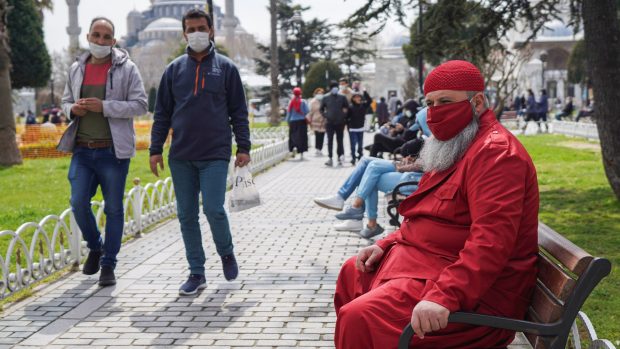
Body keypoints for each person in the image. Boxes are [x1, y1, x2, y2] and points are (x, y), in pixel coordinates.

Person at [333, 60, 539, 348]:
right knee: (352, 273)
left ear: (477, 102)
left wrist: (446, 296)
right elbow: (425, 216)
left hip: (477, 296)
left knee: (360, 317)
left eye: (445, 101)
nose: (434, 113)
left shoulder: (496, 154)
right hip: (428, 265)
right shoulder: (458, 142)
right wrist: (385, 243)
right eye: (429, 103)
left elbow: (491, 241)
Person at [149, 9, 251, 296]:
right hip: (181, 155)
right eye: (191, 29)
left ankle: (227, 253)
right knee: (186, 215)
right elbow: (162, 114)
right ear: (184, 33)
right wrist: (155, 149)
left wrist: (243, 146)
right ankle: (196, 272)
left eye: (201, 28)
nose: (196, 33)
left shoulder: (227, 68)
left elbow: (239, 112)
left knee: (214, 209)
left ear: (211, 30)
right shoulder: (174, 70)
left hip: (215, 154)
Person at [59, 17, 147, 286]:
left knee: (113, 208)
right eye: (96, 35)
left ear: (114, 41)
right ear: (87, 36)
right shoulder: (77, 68)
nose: (100, 41)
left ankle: (108, 263)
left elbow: (140, 104)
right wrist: (72, 109)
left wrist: (105, 107)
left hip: (112, 151)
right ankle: (95, 246)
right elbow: (64, 101)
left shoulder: (126, 68)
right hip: (83, 150)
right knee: (78, 203)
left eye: (106, 37)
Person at [315, 138, 424, 238]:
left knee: (372, 171)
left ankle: (358, 213)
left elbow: (427, 163)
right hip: (413, 170)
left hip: (416, 176)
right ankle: (353, 210)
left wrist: (408, 164)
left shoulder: (435, 131)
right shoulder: (434, 132)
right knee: (366, 161)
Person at [320, 81, 349, 167]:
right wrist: (326, 115)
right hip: (330, 123)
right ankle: (330, 158)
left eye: (336, 87)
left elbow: (347, 107)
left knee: (340, 140)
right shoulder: (325, 97)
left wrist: (343, 115)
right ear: (330, 88)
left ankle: (340, 156)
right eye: (333, 87)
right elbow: (321, 109)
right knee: (330, 141)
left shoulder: (342, 97)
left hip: (340, 122)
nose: (335, 89)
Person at [285, 87, 309, 158]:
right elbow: (307, 111)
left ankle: (293, 149)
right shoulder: (303, 102)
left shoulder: (291, 102)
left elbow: (288, 113)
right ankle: (301, 153)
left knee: (293, 136)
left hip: (293, 122)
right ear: (300, 93)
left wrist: (287, 122)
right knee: (302, 137)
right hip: (302, 122)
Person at [346, 92, 368, 165]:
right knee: (353, 145)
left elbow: (369, 100)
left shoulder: (363, 106)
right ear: (353, 98)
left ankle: (360, 156)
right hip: (352, 129)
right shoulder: (350, 107)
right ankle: (353, 158)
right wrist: (348, 126)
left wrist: (364, 92)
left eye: (359, 97)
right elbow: (346, 117)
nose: (357, 98)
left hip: (360, 128)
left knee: (360, 145)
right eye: (356, 97)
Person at [307, 88, 326, 156]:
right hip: (315, 121)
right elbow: (310, 112)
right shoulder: (312, 102)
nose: (320, 95)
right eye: (318, 93)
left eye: (321, 93)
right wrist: (309, 120)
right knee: (317, 135)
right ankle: (317, 148)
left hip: (323, 121)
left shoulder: (325, 101)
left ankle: (320, 148)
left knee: (322, 135)